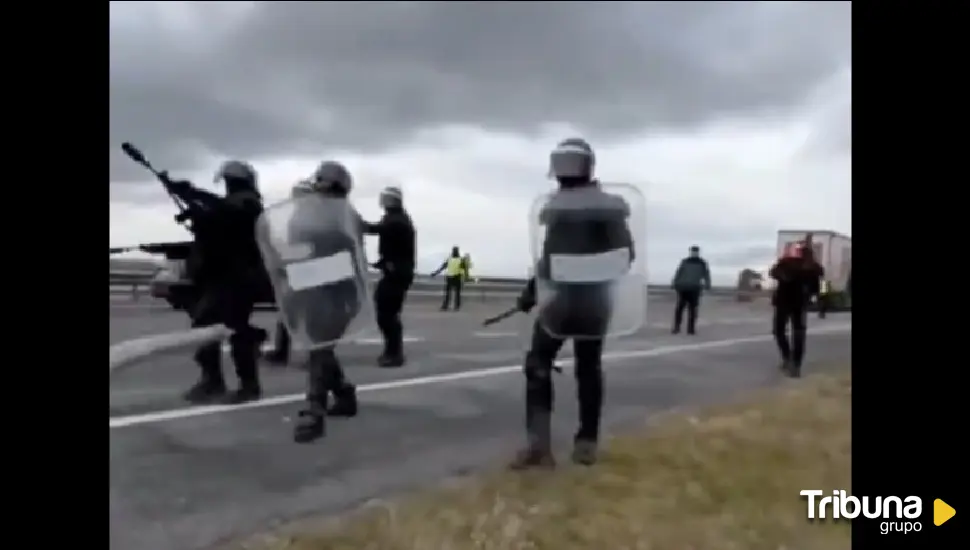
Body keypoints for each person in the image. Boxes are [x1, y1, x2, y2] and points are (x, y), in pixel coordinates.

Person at [509, 137, 637, 469]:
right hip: (585, 301)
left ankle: (563, 445)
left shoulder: (593, 209)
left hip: (575, 300)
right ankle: (569, 445)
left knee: (553, 364)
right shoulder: (569, 208)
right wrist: (531, 292)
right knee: (576, 367)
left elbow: (622, 256)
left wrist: (538, 290)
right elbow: (551, 261)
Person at [271, 163, 364, 443]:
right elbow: (297, 249)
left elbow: (344, 258)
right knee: (320, 350)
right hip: (315, 287)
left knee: (320, 350)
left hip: (339, 292)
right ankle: (345, 395)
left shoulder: (344, 218)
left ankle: (314, 410)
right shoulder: (314, 215)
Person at [165, 160, 267, 405]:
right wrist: (193, 200)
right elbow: (217, 217)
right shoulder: (237, 203)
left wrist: (194, 198)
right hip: (225, 278)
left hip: (237, 279)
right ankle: (218, 381)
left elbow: (224, 216)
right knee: (216, 328)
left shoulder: (247, 204)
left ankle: (239, 384)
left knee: (224, 329)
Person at [363, 186, 416, 368]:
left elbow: (378, 229)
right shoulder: (395, 217)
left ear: (392, 200)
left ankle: (395, 354)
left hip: (397, 274)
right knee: (386, 311)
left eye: (384, 197)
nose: (381, 200)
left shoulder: (396, 220)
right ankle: (392, 351)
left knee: (387, 314)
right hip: (396, 272)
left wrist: (357, 224)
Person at [769, 239, 824, 378]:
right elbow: (819, 287)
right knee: (798, 333)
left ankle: (788, 359)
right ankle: (795, 364)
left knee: (779, 330)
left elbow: (774, 272)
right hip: (801, 303)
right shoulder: (814, 267)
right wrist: (821, 303)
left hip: (784, 301)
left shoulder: (786, 263)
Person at [671, 245, 712, 335]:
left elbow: (706, 274)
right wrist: (675, 282)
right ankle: (676, 327)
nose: (694, 253)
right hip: (684, 287)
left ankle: (691, 329)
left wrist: (708, 284)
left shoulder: (702, 263)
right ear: (690, 252)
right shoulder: (685, 261)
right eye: (693, 251)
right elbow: (679, 272)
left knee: (693, 309)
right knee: (680, 308)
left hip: (695, 288)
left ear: (698, 252)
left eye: (695, 252)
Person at [431, 246, 465, 311]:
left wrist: (435, 273)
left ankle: (446, 306)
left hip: (450, 277)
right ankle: (456, 306)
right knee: (457, 293)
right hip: (457, 277)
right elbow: (463, 270)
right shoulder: (460, 260)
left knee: (448, 293)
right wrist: (463, 278)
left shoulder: (450, 259)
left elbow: (443, 267)